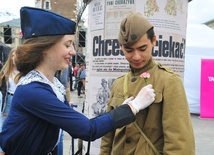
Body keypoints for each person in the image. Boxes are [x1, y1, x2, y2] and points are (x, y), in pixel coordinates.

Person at [0, 7, 155, 155]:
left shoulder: (50, 86)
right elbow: (87, 129)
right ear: (45, 47)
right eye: (67, 44)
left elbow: (78, 124)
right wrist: (134, 106)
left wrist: (123, 109)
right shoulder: (33, 91)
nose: (73, 51)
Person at [100, 12, 195, 155]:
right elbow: (108, 138)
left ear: (154, 41)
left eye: (142, 49)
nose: (136, 56)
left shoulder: (169, 81)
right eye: (129, 50)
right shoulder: (118, 84)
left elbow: (179, 144)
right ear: (120, 47)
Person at [0, 48, 19, 154]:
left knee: (17, 124)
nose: (14, 58)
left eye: (17, 55)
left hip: (19, 99)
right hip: (8, 100)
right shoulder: (5, 72)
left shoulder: (25, 72)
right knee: (5, 124)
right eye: (12, 55)